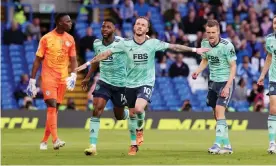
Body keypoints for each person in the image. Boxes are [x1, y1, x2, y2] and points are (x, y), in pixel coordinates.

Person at [75, 16, 210, 155]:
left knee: (139, 109)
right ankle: (133, 145)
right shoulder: (125, 44)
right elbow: (104, 54)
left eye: (143, 25)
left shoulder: (152, 43)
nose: (139, 26)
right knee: (131, 114)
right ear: (134, 27)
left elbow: (174, 47)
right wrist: (86, 64)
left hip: (146, 82)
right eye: (137, 24)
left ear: (147, 29)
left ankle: (140, 130)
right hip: (129, 83)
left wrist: (194, 50)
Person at [26, 13, 78, 150]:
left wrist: (73, 75)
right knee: (51, 106)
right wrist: (32, 80)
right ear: (60, 23)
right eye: (68, 21)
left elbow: (73, 59)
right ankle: (55, 140)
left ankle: (44, 141)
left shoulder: (70, 39)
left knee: (54, 110)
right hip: (49, 77)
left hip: (63, 78)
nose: (70, 23)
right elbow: (37, 60)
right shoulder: (46, 38)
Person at [81, 19, 129, 156]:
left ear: (114, 29)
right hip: (104, 82)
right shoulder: (97, 43)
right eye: (103, 27)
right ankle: (92, 145)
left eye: (108, 27)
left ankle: (128, 114)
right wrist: (88, 76)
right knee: (97, 108)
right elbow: (96, 61)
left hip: (121, 84)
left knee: (119, 116)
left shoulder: (122, 42)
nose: (105, 29)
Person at [192, 19, 237, 154]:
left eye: (213, 32)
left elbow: (233, 66)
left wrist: (228, 86)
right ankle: (227, 145)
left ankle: (217, 144)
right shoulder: (205, 43)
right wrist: (198, 71)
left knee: (219, 110)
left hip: (225, 82)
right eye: (208, 32)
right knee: (216, 115)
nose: (210, 35)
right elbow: (205, 59)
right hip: (213, 82)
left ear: (218, 32)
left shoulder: (227, 45)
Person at [257, 15, 276, 154]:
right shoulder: (269, 39)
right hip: (274, 78)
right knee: (273, 109)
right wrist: (262, 75)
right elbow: (269, 57)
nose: (275, 25)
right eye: (275, 23)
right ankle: (272, 143)